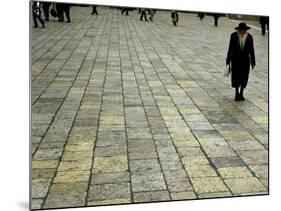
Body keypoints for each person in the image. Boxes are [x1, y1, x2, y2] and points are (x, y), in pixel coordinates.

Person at [226, 23, 256, 101]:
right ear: (238, 30)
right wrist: (228, 60)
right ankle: (236, 93)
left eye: (244, 30)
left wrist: (253, 62)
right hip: (235, 60)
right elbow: (230, 48)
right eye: (241, 30)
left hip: (246, 61)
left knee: (244, 77)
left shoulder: (249, 37)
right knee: (236, 77)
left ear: (246, 30)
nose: (242, 32)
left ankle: (241, 93)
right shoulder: (233, 36)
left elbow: (251, 50)